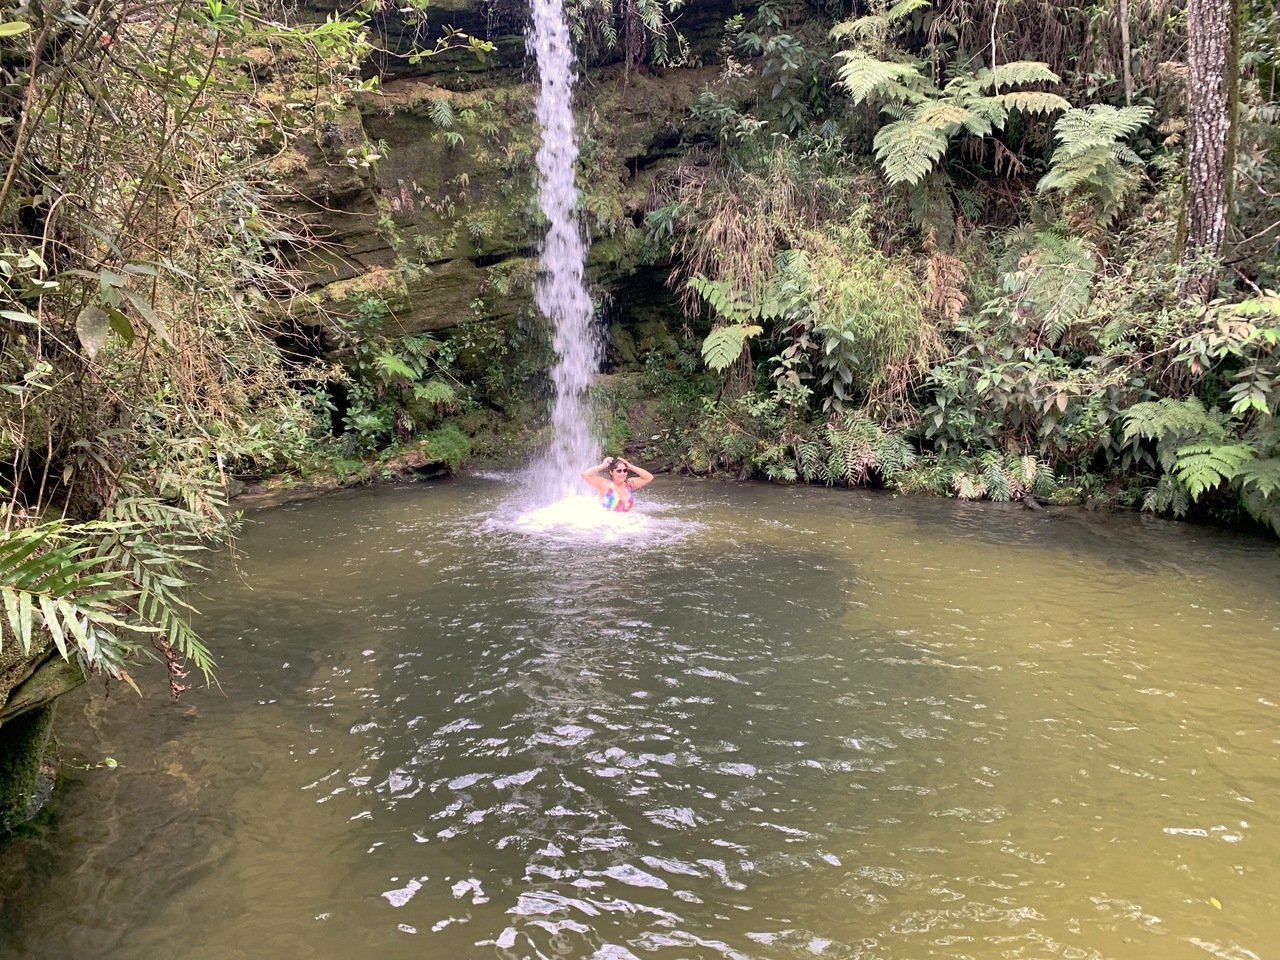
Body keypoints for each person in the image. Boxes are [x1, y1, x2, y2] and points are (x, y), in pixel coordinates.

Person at [580, 455, 653, 512]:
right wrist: (602, 466)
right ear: (611, 472)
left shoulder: (629, 484)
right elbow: (585, 475)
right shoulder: (605, 485)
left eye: (625, 470)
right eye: (619, 471)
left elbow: (649, 477)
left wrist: (630, 466)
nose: (622, 473)